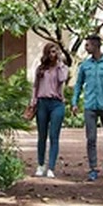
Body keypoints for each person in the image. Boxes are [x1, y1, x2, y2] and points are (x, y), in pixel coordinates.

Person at [70, 33, 103, 181]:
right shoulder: (84, 65)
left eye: (88, 45)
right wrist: (74, 102)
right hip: (90, 106)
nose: (86, 48)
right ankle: (93, 168)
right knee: (91, 138)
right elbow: (78, 85)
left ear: (96, 45)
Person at [26, 42, 71, 178]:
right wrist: (33, 100)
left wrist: (60, 63)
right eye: (51, 52)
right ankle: (40, 165)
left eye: (55, 51)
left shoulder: (62, 68)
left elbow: (62, 79)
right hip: (42, 103)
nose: (53, 54)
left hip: (57, 103)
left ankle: (51, 167)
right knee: (42, 136)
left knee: (54, 136)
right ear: (46, 53)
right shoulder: (40, 69)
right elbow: (35, 86)